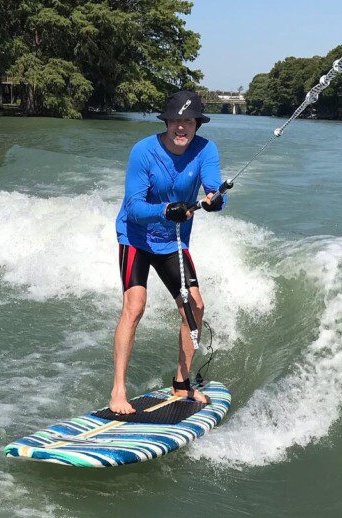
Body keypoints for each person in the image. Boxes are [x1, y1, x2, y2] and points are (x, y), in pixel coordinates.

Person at [110, 90, 226, 414]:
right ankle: (118, 390)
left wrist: (215, 200)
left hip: (172, 241)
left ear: (197, 124)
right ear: (167, 122)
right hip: (136, 237)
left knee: (195, 305)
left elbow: (213, 190)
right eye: (175, 120)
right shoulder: (143, 151)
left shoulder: (206, 150)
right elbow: (133, 207)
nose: (181, 127)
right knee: (134, 306)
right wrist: (166, 210)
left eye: (188, 121)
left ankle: (181, 383)